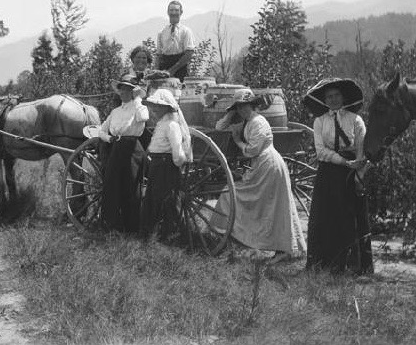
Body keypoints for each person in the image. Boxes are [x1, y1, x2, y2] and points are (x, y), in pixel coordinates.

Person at [212, 88, 306, 262]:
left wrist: (238, 141)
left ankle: (282, 248)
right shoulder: (247, 121)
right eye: (239, 107)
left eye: (245, 106)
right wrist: (231, 113)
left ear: (252, 105)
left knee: (264, 202)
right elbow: (218, 127)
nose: (242, 110)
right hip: (262, 165)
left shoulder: (258, 121)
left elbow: (253, 150)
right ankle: (277, 246)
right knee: (272, 205)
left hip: (268, 164)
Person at [303, 78, 374, 275]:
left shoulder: (355, 120)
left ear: (343, 97)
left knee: (350, 217)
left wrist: (358, 171)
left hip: (351, 175)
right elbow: (320, 151)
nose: (333, 100)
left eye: (336, 96)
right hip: (328, 175)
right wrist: (343, 162)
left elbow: (362, 148)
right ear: (324, 100)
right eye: (329, 97)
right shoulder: (320, 121)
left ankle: (355, 266)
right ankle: (324, 265)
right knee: (325, 218)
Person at [98, 74, 149, 233]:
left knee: (132, 187)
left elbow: (144, 118)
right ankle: (111, 226)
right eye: (121, 89)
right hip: (117, 147)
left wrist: (138, 100)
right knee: (111, 185)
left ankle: (132, 228)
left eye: (128, 89)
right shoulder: (115, 112)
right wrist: (108, 139)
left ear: (133, 92)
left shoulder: (139, 108)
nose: (123, 92)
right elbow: (101, 130)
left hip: (133, 148)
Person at [140, 88, 193, 239]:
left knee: (167, 199)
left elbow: (178, 152)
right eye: (154, 106)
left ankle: (171, 233)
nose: (155, 109)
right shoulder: (162, 124)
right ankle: (153, 232)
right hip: (157, 164)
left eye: (159, 106)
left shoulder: (171, 125)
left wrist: (175, 164)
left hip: (166, 165)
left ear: (167, 107)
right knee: (153, 198)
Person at [156, 0, 195, 82]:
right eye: (171, 10)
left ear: (181, 12)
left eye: (176, 10)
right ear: (168, 12)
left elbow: (189, 53)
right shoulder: (162, 32)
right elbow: (159, 55)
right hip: (164, 66)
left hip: (181, 67)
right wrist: (156, 71)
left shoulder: (186, 31)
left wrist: (173, 69)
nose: (174, 13)